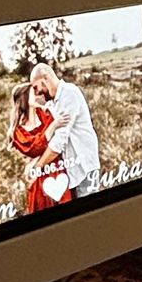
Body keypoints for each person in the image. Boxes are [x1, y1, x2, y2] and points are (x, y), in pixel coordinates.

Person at [30, 60, 100, 197]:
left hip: (85, 167)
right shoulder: (52, 103)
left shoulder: (69, 93)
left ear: (46, 78)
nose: (37, 92)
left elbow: (60, 140)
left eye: (36, 87)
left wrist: (37, 168)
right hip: (72, 170)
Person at [8, 76, 69, 213]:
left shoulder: (44, 113)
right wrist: (53, 126)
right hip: (38, 178)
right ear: (24, 99)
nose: (37, 94)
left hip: (55, 168)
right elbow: (34, 148)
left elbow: (57, 141)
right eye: (33, 92)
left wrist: (35, 161)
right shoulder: (18, 130)